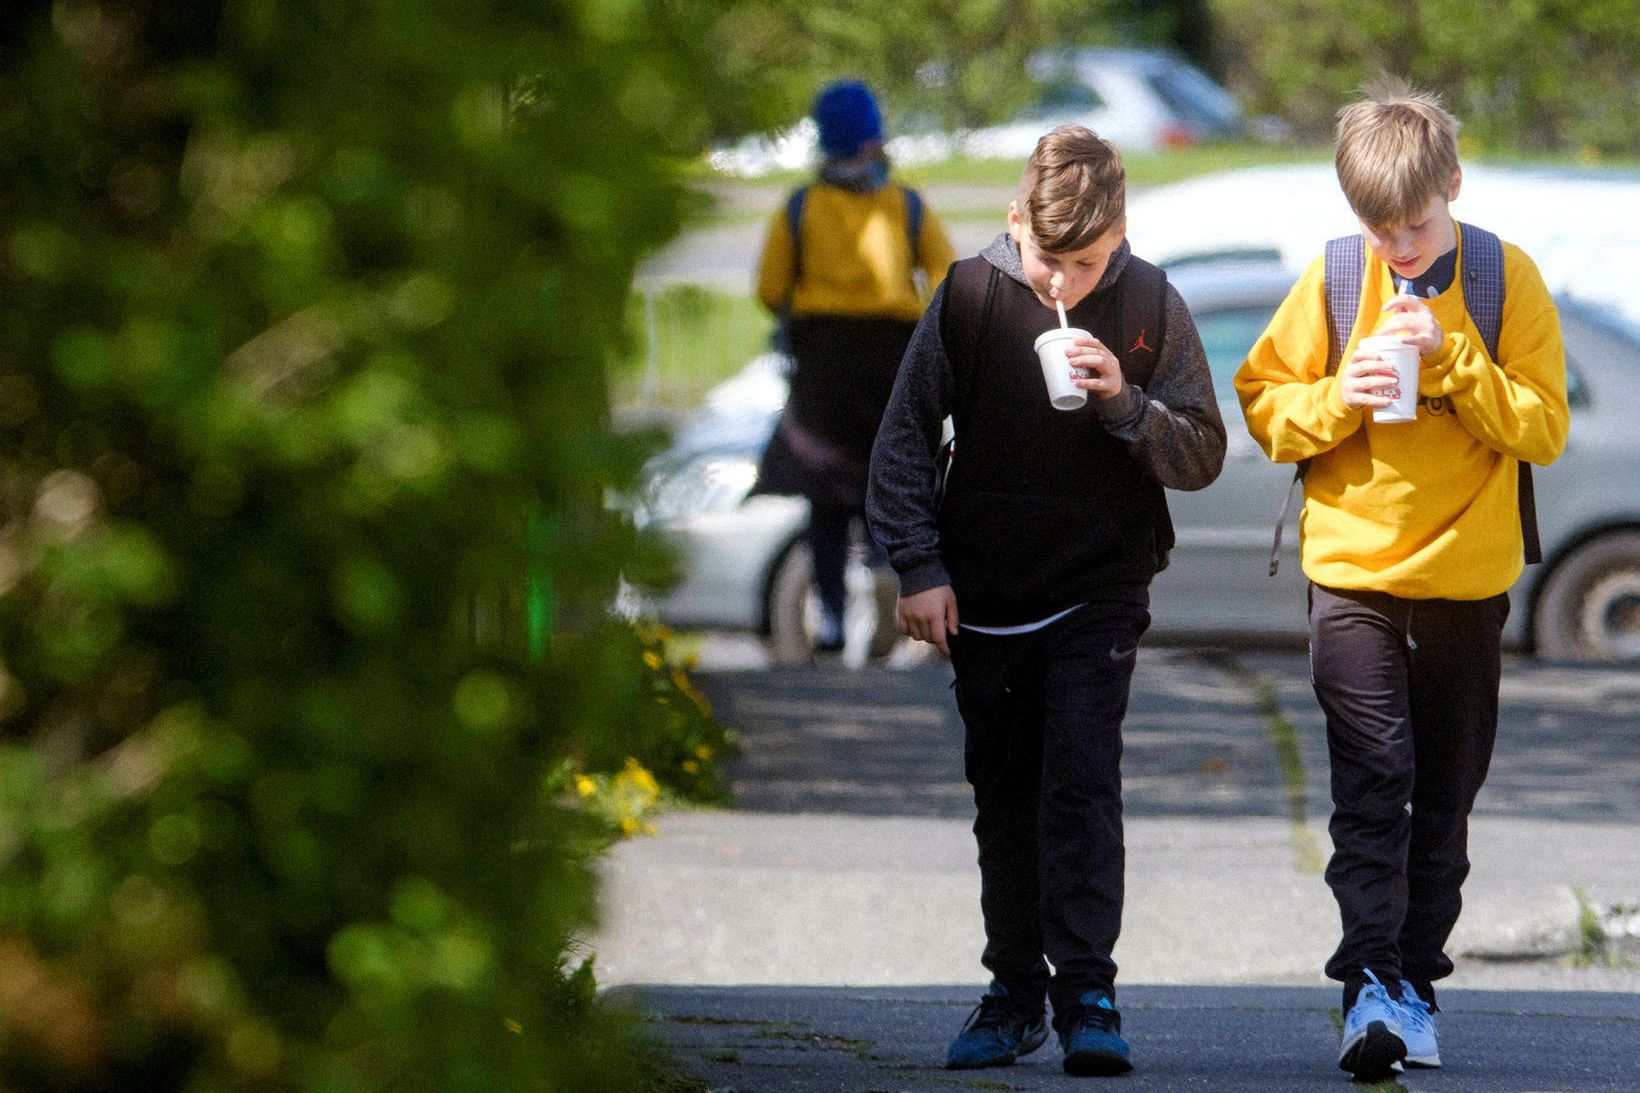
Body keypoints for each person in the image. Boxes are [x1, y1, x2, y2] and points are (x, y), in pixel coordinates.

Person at [867, 124, 1225, 1076]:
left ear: (1121, 235)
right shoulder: (972, 296)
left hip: (1100, 584)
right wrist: (919, 567)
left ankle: (1090, 993)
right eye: (1049, 260)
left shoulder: (1149, 299)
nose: (1065, 283)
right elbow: (902, 441)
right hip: (984, 589)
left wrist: (1125, 404)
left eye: (1089, 261)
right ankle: (1014, 990)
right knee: (1006, 796)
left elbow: (1202, 452)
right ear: (1013, 217)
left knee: (1080, 781)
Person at [1234, 77, 1569, 1082]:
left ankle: (1416, 981)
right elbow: (1262, 405)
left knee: (1443, 798)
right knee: (1372, 783)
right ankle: (1369, 985)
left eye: (1412, 226)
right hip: (1349, 578)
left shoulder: (1504, 279)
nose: (1395, 246)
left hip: (1465, 586)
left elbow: (1541, 428)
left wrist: (1454, 356)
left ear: (1451, 186)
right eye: (1375, 227)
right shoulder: (1336, 279)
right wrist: (1339, 395)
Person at [752, 78, 956, 656]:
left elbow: (770, 288)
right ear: (874, 140)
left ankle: (833, 619)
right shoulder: (906, 206)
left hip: (822, 373)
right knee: (887, 486)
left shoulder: (799, 207)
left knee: (824, 497)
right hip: (893, 367)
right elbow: (946, 278)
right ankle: (891, 583)